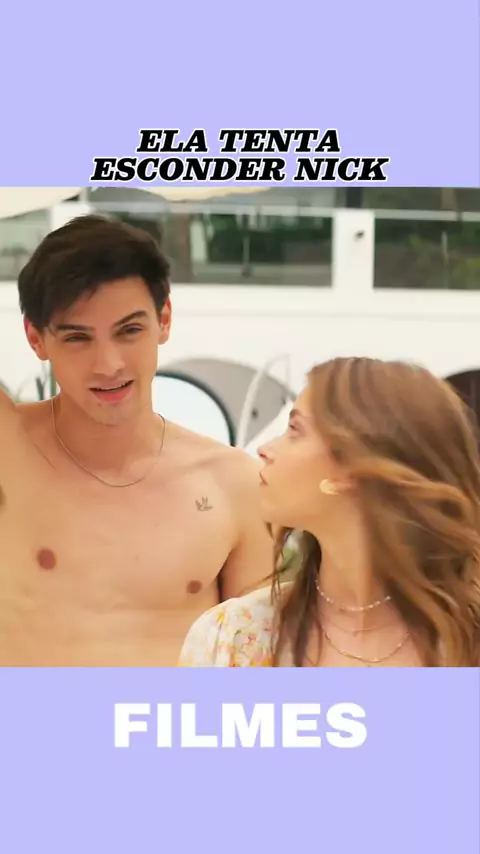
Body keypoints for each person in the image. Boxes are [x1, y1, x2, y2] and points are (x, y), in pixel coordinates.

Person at [0, 214, 273, 666]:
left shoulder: (234, 483)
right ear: (36, 338)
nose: (109, 364)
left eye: (129, 331)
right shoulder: (8, 451)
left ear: (164, 320)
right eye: (77, 338)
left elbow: (256, 660)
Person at [179, 357, 480, 667]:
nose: (265, 449)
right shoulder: (233, 639)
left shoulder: (466, 641)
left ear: (353, 466)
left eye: (294, 430)